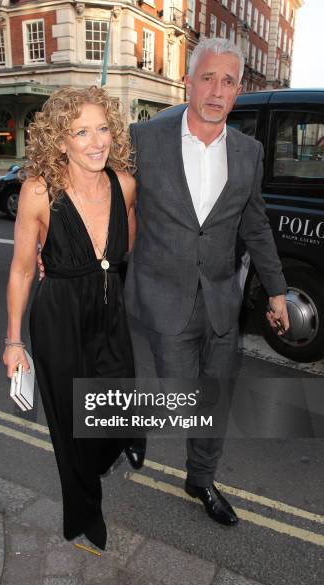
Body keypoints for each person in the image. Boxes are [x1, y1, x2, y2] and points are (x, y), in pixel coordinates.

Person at [125, 38, 290, 526]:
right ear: (188, 81)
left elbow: (255, 224)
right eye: (208, 77)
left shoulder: (248, 152)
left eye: (228, 81)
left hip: (220, 299)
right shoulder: (144, 138)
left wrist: (277, 291)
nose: (217, 91)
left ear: (239, 91)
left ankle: (200, 478)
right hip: (161, 296)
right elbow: (111, 203)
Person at [3, 86, 142, 550]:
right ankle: (85, 515)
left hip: (110, 314)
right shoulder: (39, 192)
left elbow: (125, 250)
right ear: (60, 141)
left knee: (116, 410)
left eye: (102, 128)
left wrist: (93, 266)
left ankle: (119, 440)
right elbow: (22, 270)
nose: (96, 140)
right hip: (58, 319)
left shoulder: (124, 184)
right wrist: (12, 341)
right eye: (80, 131)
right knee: (71, 428)